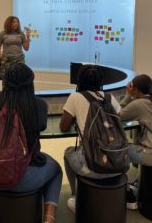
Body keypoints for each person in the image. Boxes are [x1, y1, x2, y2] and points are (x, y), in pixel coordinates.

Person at [0, 63, 62, 223]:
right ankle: (49, 219)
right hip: (23, 178)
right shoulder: (38, 105)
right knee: (56, 169)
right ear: (30, 83)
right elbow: (42, 126)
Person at [59, 65, 133, 211]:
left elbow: (63, 127)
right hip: (118, 163)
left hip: (93, 164)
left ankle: (76, 197)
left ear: (79, 81)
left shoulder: (75, 97)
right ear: (101, 81)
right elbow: (119, 118)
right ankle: (126, 192)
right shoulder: (109, 98)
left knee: (68, 153)